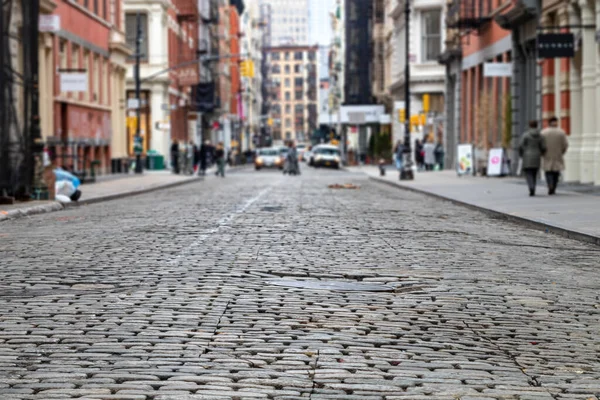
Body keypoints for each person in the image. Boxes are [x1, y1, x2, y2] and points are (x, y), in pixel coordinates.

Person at [541, 117, 568, 195]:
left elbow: (541, 144)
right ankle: (554, 186)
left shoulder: (543, 132)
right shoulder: (561, 132)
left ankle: (550, 184)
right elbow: (565, 145)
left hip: (547, 155)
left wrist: (542, 152)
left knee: (548, 171)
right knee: (556, 172)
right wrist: (562, 152)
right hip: (557, 154)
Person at [519, 120, 546, 196]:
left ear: (529, 125)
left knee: (528, 173)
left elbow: (521, 145)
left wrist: (521, 154)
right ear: (537, 125)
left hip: (527, 156)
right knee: (534, 173)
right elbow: (543, 147)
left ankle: (531, 187)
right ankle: (533, 186)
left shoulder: (526, 135)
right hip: (537, 156)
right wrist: (541, 153)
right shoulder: (540, 135)